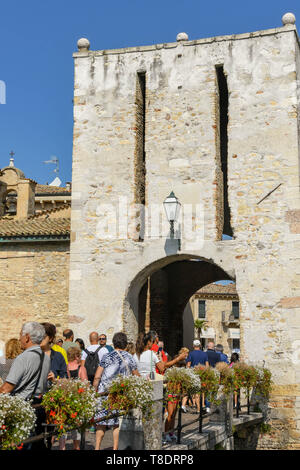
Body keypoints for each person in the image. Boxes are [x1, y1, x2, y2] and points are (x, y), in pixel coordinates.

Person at [0, 322, 51, 450]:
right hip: (39, 405)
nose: (19, 339)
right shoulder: (46, 357)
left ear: (27, 337)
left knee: (20, 444)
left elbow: (7, 388)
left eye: (20, 335)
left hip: (23, 408)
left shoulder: (23, 358)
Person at [93, 332, 140, 451]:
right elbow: (136, 376)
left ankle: (97, 447)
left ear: (114, 343)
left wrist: (95, 390)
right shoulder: (129, 357)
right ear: (125, 344)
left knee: (101, 422)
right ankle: (115, 449)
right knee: (116, 422)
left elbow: (97, 376)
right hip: (120, 393)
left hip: (104, 393)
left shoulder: (107, 356)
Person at [58, 347, 88, 451]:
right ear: (76, 356)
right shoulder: (81, 369)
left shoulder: (65, 368)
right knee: (76, 427)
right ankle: (76, 447)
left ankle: (62, 447)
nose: (80, 358)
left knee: (63, 425)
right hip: (77, 400)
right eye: (79, 356)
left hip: (65, 399)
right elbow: (85, 385)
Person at [164, 347, 189, 443]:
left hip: (177, 391)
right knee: (170, 414)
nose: (187, 355)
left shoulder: (183, 364)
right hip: (171, 390)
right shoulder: (175, 362)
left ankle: (171, 432)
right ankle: (166, 433)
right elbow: (167, 366)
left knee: (174, 414)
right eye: (186, 353)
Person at [184, 340, 209, 413]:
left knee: (196, 392)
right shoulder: (204, 354)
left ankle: (198, 409)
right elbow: (207, 366)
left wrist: (187, 373)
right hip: (202, 374)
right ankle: (203, 405)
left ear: (193, 345)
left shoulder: (191, 354)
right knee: (203, 391)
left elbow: (188, 365)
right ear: (200, 345)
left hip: (194, 375)